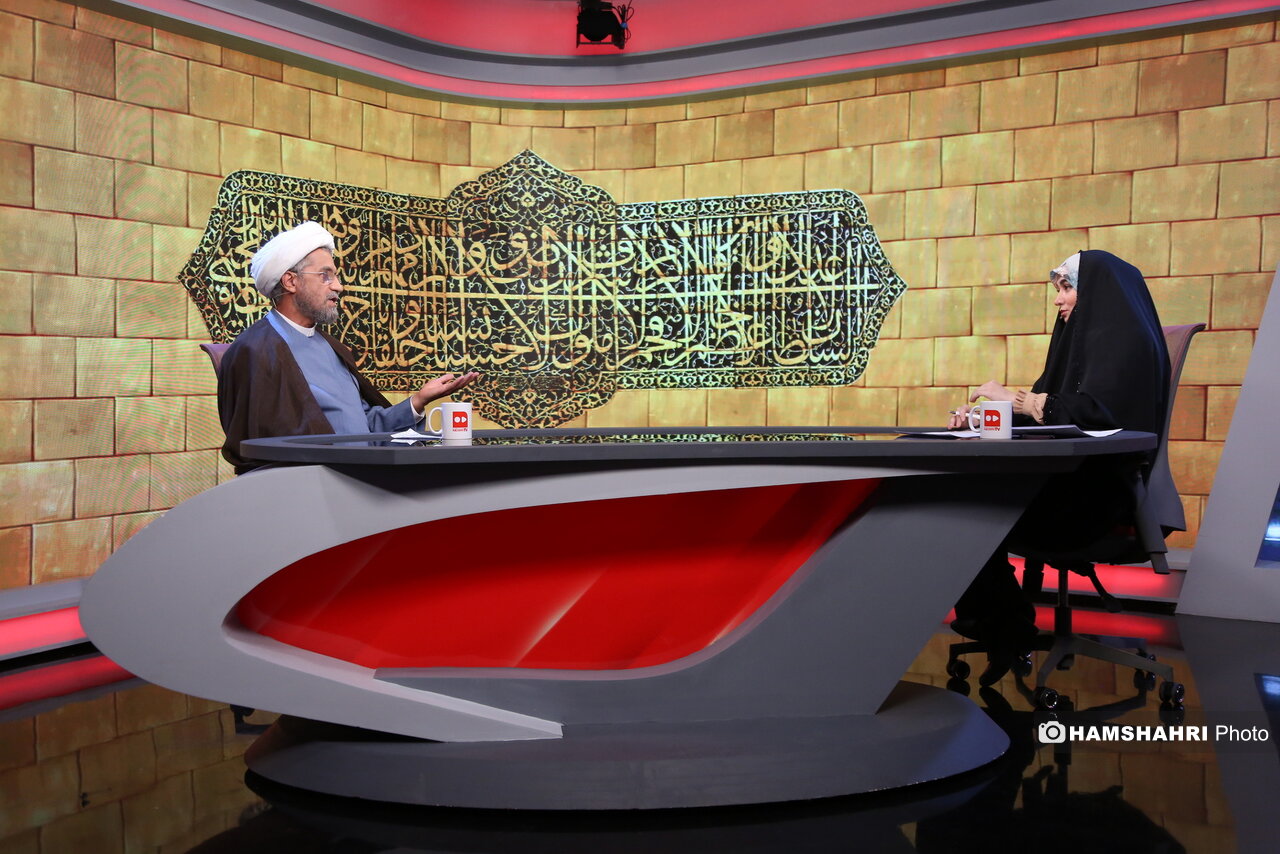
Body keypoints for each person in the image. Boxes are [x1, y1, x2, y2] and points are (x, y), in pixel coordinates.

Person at [947, 250, 1176, 684]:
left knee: (967, 510)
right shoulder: (1082, 345)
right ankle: (1003, 625)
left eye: (1067, 288)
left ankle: (1004, 626)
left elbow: (1097, 415)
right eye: (1058, 289)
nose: (1058, 299)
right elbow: (1051, 412)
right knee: (957, 501)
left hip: (1098, 499)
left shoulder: (1127, 344)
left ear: (1099, 293)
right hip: (1067, 488)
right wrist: (981, 415)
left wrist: (1016, 399)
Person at [218, 222, 477, 474]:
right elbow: (257, 452)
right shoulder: (255, 351)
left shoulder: (331, 347)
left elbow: (363, 429)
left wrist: (418, 401)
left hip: (359, 478)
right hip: (310, 487)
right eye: (325, 276)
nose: (338, 286)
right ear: (290, 281)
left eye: (335, 276)